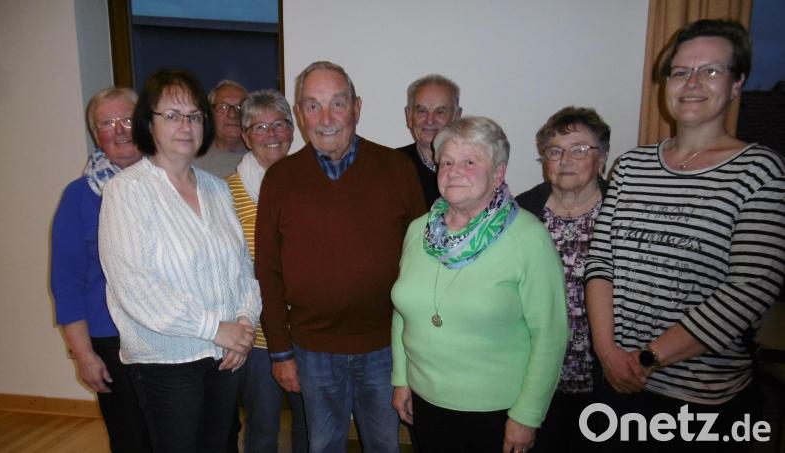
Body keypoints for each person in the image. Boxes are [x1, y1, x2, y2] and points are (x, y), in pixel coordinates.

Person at [584, 19, 785, 452]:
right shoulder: (631, 166)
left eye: (711, 70)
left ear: (737, 83)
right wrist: (607, 354)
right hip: (616, 385)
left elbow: (752, 286)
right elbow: (601, 263)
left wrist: (647, 359)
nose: (692, 82)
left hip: (701, 401)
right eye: (680, 71)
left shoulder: (760, 170)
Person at [255, 61, 424, 453]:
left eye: (338, 103)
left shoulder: (397, 170)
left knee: (385, 444)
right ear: (299, 114)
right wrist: (281, 350)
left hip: (386, 346)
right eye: (313, 106)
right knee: (324, 445)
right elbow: (268, 270)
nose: (326, 118)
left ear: (357, 108)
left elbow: (421, 262)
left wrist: (416, 345)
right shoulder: (279, 179)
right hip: (312, 349)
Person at [98, 69, 261, 453]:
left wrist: (244, 323)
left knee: (222, 445)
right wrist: (215, 328)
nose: (185, 125)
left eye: (193, 115)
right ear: (148, 124)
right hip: (167, 362)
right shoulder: (126, 192)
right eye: (171, 115)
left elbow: (241, 268)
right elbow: (135, 288)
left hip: (225, 357)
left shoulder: (218, 189)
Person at [391, 116, 569, 453]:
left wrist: (527, 416)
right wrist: (401, 379)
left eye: (470, 161)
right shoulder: (418, 231)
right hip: (425, 401)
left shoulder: (527, 237)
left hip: (497, 411)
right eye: (447, 161)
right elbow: (403, 311)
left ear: (498, 173)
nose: (454, 170)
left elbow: (551, 334)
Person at [51, 86, 151, 453]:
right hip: (112, 340)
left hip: (172, 336)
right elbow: (66, 283)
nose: (120, 130)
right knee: (132, 439)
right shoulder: (79, 196)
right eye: (106, 123)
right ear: (96, 135)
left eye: (127, 119)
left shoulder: (174, 184)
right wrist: (83, 355)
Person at [515, 106, 610, 453]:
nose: (565, 160)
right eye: (555, 151)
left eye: (579, 149)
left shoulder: (621, 210)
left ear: (602, 157)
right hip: (536, 378)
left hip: (603, 377)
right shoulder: (521, 211)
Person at [225, 89, 307, 453]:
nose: (271, 133)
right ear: (245, 136)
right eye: (259, 127)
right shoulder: (226, 192)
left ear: (292, 130)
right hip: (256, 335)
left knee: (312, 424)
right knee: (262, 429)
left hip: (307, 331)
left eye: (279, 124)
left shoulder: (311, 184)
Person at [399, 74, 462, 207]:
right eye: (422, 111)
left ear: (456, 117)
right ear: (409, 116)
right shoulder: (392, 166)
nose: (429, 120)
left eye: (440, 112)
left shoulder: (473, 167)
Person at [195, 80, 249, 177]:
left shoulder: (263, 158)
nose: (232, 115)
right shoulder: (192, 162)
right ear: (210, 113)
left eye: (239, 107)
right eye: (223, 107)